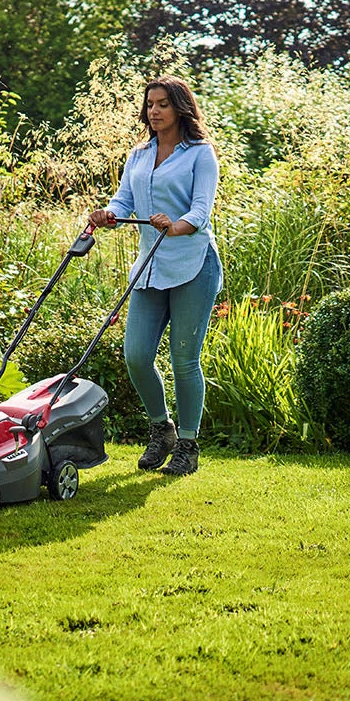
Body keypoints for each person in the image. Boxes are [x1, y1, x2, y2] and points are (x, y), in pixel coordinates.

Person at [89, 75, 222, 476]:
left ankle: (187, 444)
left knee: (184, 359)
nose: (154, 111)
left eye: (162, 103)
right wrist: (108, 214)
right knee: (137, 355)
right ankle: (160, 428)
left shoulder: (200, 154)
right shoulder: (139, 155)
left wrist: (175, 225)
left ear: (180, 107)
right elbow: (124, 199)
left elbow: (201, 211)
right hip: (150, 266)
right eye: (150, 104)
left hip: (192, 265)